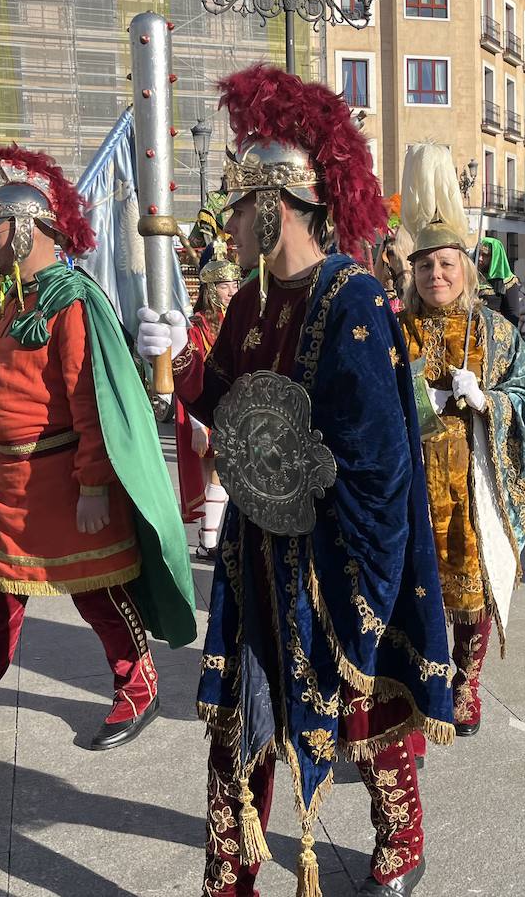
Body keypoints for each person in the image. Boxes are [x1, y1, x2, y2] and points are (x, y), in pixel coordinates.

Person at [137, 65, 454, 897]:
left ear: (275, 203)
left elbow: (383, 464)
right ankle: (228, 874)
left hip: (334, 552)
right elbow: (229, 405)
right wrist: (175, 365)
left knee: (362, 702)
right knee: (241, 715)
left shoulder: (354, 303)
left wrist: (361, 582)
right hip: (253, 546)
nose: (226, 226)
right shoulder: (245, 305)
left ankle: (400, 841)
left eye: (237, 208)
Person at [0, 145, 196, 779]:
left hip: (65, 478)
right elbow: (5, 393)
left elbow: (91, 398)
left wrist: (94, 485)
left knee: (98, 593)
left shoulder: (71, 300)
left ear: (26, 228)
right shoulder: (11, 302)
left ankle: (139, 685)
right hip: (10, 482)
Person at [397, 142, 525, 740]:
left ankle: (468, 679)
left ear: (466, 269)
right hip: (410, 478)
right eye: (425, 267)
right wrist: (413, 398)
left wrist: (491, 402)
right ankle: (419, 682)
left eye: (447, 266)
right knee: (415, 585)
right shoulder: (392, 323)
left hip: (474, 478)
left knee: (473, 583)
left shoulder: (498, 331)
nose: (436, 276)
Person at [175, 257, 241, 561]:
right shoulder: (197, 327)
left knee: (221, 473)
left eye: (234, 284)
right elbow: (192, 376)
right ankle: (209, 541)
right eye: (225, 285)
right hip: (205, 411)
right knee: (217, 471)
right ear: (211, 289)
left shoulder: (238, 319)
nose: (232, 289)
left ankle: (208, 538)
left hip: (231, 406)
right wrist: (198, 425)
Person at [478, 236, 522, 322]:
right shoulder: (471, 277)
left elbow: (513, 315)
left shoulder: (508, 281)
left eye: (485, 255)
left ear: (496, 257)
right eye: (478, 254)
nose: (480, 258)